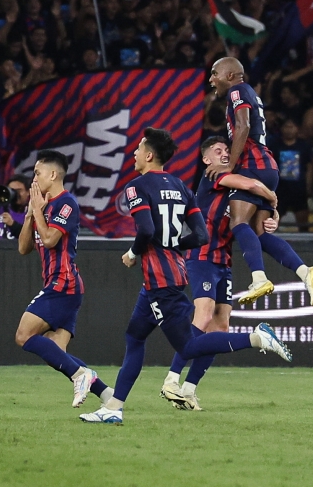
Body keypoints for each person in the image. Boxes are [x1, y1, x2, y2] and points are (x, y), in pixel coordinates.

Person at [80, 128, 292, 425]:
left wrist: (133, 253)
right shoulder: (182, 187)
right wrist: (173, 246)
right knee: (135, 336)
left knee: (188, 346)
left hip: (160, 281)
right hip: (171, 274)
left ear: (150, 155)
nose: (134, 153)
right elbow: (202, 234)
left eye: (139, 148)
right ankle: (113, 407)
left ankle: (256, 338)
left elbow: (146, 231)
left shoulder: (136, 187)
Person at [160, 136, 282, 411]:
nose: (225, 154)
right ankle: (171, 379)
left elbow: (260, 217)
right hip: (202, 256)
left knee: (220, 327)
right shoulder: (214, 176)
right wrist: (273, 195)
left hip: (223, 261)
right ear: (206, 159)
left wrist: (273, 215)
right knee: (202, 316)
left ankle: (189, 390)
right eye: (218, 151)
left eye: (227, 150)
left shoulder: (237, 187)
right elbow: (252, 185)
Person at [206, 57, 313, 306]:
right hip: (267, 165)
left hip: (253, 163)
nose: (211, 79)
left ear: (229, 76)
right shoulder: (247, 92)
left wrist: (229, 164)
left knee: (238, 221)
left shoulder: (237, 90)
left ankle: (259, 279)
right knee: (258, 233)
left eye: (215, 73)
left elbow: (244, 125)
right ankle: (305, 272)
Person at [15, 151, 113, 409]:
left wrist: (38, 212)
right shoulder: (41, 207)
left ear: (53, 174)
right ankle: (107, 395)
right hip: (57, 283)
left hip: (64, 282)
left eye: (37, 173)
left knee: (24, 336)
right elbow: (24, 248)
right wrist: (29, 215)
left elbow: (49, 240)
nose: (33, 179)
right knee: (55, 351)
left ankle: (80, 375)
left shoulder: (66, 204)